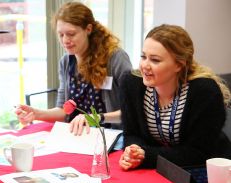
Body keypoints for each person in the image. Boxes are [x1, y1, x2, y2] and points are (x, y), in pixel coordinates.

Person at [119, 24, 231, 170]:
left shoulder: (205, 92)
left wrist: (146, 155)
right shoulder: (132, 84)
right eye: (143, 57)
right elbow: (131, 134)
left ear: (179, 65)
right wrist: (133, 152)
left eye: (155, 60)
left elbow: (198, 153)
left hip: (204, 171)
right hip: (159, 168)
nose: (145, 65)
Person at [15, 2, 132, 135]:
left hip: (111, 137)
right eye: (61, 35)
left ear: (88, 29)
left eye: (71, 34)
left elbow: (132, 110)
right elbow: (63, 111)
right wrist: (36, 113)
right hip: (76, 135)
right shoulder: (66, 62)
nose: (65, 40)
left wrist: (97, 118)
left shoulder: (115, 58)